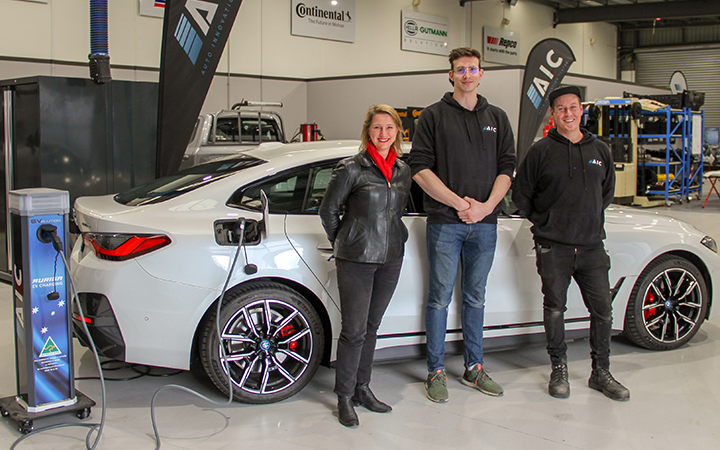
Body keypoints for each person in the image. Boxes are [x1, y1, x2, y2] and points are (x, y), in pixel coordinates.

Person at [409, 47, 516, 403]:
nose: (467, 74)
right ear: (450, 75)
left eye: (472, 68)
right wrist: (460, 205)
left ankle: (474, 368)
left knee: (475, 298)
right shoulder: (433, 117)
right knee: (439, 299)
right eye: (460, 69)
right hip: (445, 222)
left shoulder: (498, 117)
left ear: (481, 74)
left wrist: (485, 208)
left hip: (484, 224)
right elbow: (420, 169)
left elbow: (507, 168)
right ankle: (435, 371)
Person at [512, 86, 630, 401]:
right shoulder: (540, 152)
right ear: (553, 114)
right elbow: (522, 195)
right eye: (561, 109)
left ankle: (601, 372)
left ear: (582, 110)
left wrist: (585, 220)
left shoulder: (600, 150)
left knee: (603, 311)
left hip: (591, 247)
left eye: (573, 107)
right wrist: (546, 223)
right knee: (555, 309)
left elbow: (605, 194)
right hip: (554, 247)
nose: (568, 113)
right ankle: (558, 369)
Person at [319, 104, 411, 427]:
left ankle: (362, 388)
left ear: (397, 132)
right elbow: (328, 211)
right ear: (368, 131)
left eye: (389, 128)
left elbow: (396, 212)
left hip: (390, 259)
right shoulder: (351, 169)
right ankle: (344, 396)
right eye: (377, 128)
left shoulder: (402, 170)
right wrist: (345, 240)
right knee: (354, 331)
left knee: (372, 327)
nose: (383, 134)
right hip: (356, 260)